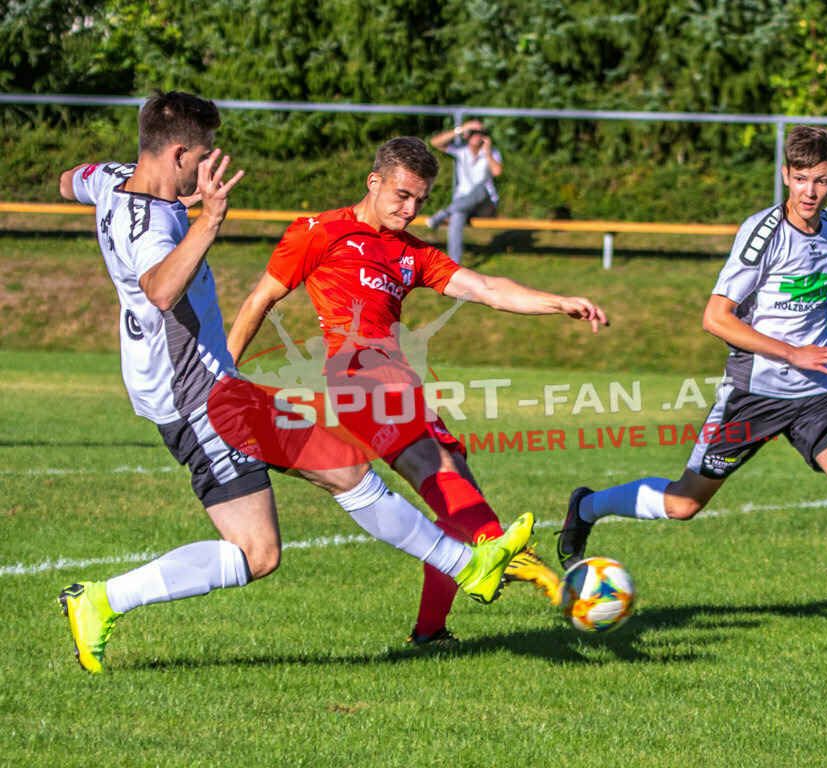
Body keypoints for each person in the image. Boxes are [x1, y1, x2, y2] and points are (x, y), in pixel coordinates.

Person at [56, 91, 533, 673]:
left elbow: (66, 181)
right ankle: (468, 566)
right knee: (307, 507)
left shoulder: (111, 179)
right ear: (178, 152)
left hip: (208, 387)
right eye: (204, 157)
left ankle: (97, 601)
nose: (210, 167)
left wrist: (119, 186)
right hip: (196, 396)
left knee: (270, 543)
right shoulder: (153, 224)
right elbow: (159, 290)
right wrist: (207, 220)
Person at [557, 126, 827, 642]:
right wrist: (795, 352)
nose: (810, 191)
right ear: (786, 175)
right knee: (685, 503)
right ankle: (586, 506)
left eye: (821, 181)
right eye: (801, 178)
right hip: (752, 394)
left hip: (813, 395)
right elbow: (716, 317)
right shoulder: (762, 232)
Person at [227, 136, 608, 646]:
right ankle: (534, 574)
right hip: (360, 384)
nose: (410, 210)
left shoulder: (412, 253)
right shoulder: (320, 232)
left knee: (458, 498)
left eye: (421, 201)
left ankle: (432, 631)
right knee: (456, 494)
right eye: (402, 196)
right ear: (374, 181)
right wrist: (221, 377)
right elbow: (261, 299)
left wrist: (556, 301)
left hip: (402, 388)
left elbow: (487, 288)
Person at [424, 119, 502, 264]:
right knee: (457, 216)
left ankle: (443, 214)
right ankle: (455, 265)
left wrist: (487, 152)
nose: (477, 136)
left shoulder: (492, 152)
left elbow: (497, 172)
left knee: (480, 189)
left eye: (480, 133)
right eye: (473, 132)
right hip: (463, 203)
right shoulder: (461, 150)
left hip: (485, 204)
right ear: (467, 135)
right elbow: (435, 143)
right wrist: (460, 129)